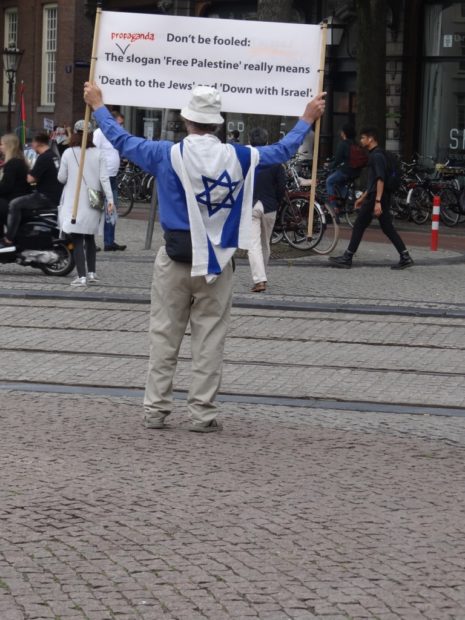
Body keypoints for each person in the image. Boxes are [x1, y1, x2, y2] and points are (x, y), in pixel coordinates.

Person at [84, 81, 325, 432]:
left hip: (175, 257)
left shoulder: (165, 153)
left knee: (164, 335)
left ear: (186, 120)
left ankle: (155, 410)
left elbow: (121, 142)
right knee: (210, 339)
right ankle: (202, 414)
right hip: (218, 262)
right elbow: (281, 151)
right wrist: (307, 118)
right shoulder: (240, 156)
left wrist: (98, 107)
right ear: (219, 123)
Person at [329, 127, 414, 270]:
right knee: (387, 227)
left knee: (359, 225)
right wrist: (363, 196)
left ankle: (347, 257)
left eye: (363, 138)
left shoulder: (376, 156)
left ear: (371, 139)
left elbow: (380, 179)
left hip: (378, 197)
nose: (361, 140)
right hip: (378, 195)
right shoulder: (377, 155)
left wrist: (377, 202)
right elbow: (374, 180)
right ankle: (405, 256)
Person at [57, 119, 114, 287]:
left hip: (75, 201)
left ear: (75, 133)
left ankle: (81, 277)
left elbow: (61, 178)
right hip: (94, 199)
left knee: (77, 239)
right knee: (90, 237)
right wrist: (110, 199)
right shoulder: (99, 153)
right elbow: (104, 178)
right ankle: (91, 272)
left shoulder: (68, 153)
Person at [0, 133, 63, 252]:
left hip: (45, 195)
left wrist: (30, 175)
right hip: (52, 194)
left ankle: (8, 238)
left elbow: (30, 179)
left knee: (14, 204)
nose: (32, 145)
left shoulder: (43, 157)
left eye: (2, 144)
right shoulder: (52, 155)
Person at [247, 127, 286, 292]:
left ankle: (259, 279)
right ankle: (262, 276)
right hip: (270, 205)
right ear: (267, 141)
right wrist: (276, 201)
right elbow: (282, 186)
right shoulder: (275, 161)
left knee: (253, 244)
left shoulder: (246, 159)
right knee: (265, 243)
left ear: (250, 141)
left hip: (251, 204)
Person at [93, 110, 127, 252]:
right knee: (95, 209)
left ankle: (109, 241)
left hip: (112, 175)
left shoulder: (116, 133)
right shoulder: (99, 133)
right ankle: (90, 241)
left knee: (111, 209)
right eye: (119, 123)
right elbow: (94, 152)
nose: (120, 126)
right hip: (101, 176)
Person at [0, 133, 31, 252]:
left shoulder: (12, 163)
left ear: (9, 146)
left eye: (1, 144)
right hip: (18, 196)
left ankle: (4, 241)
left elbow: (7, 186)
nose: (0, 147)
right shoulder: (20, 161)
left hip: (13, 198)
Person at [325, 124, 359, 210]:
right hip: (356, 171)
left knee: (329, 181)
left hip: (346, 171)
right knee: (341, 184)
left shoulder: (343, 144)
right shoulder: (355, 143)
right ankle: (343, 205)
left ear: (344, 133)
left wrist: (329, 165)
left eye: (342, 131)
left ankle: (333, 208)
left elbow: (337, 160)